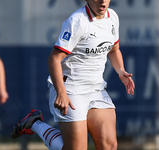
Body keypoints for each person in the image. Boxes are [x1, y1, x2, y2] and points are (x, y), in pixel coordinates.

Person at [11, 0, 135, 150]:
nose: (102, 0)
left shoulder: (113, 17)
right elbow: (54, 59)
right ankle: (35, 123)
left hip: (96, 89)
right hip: (71, 90)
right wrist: (61, 93)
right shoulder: (77, 21)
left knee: (109, 146)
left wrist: (121, 71)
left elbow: (114, 49)